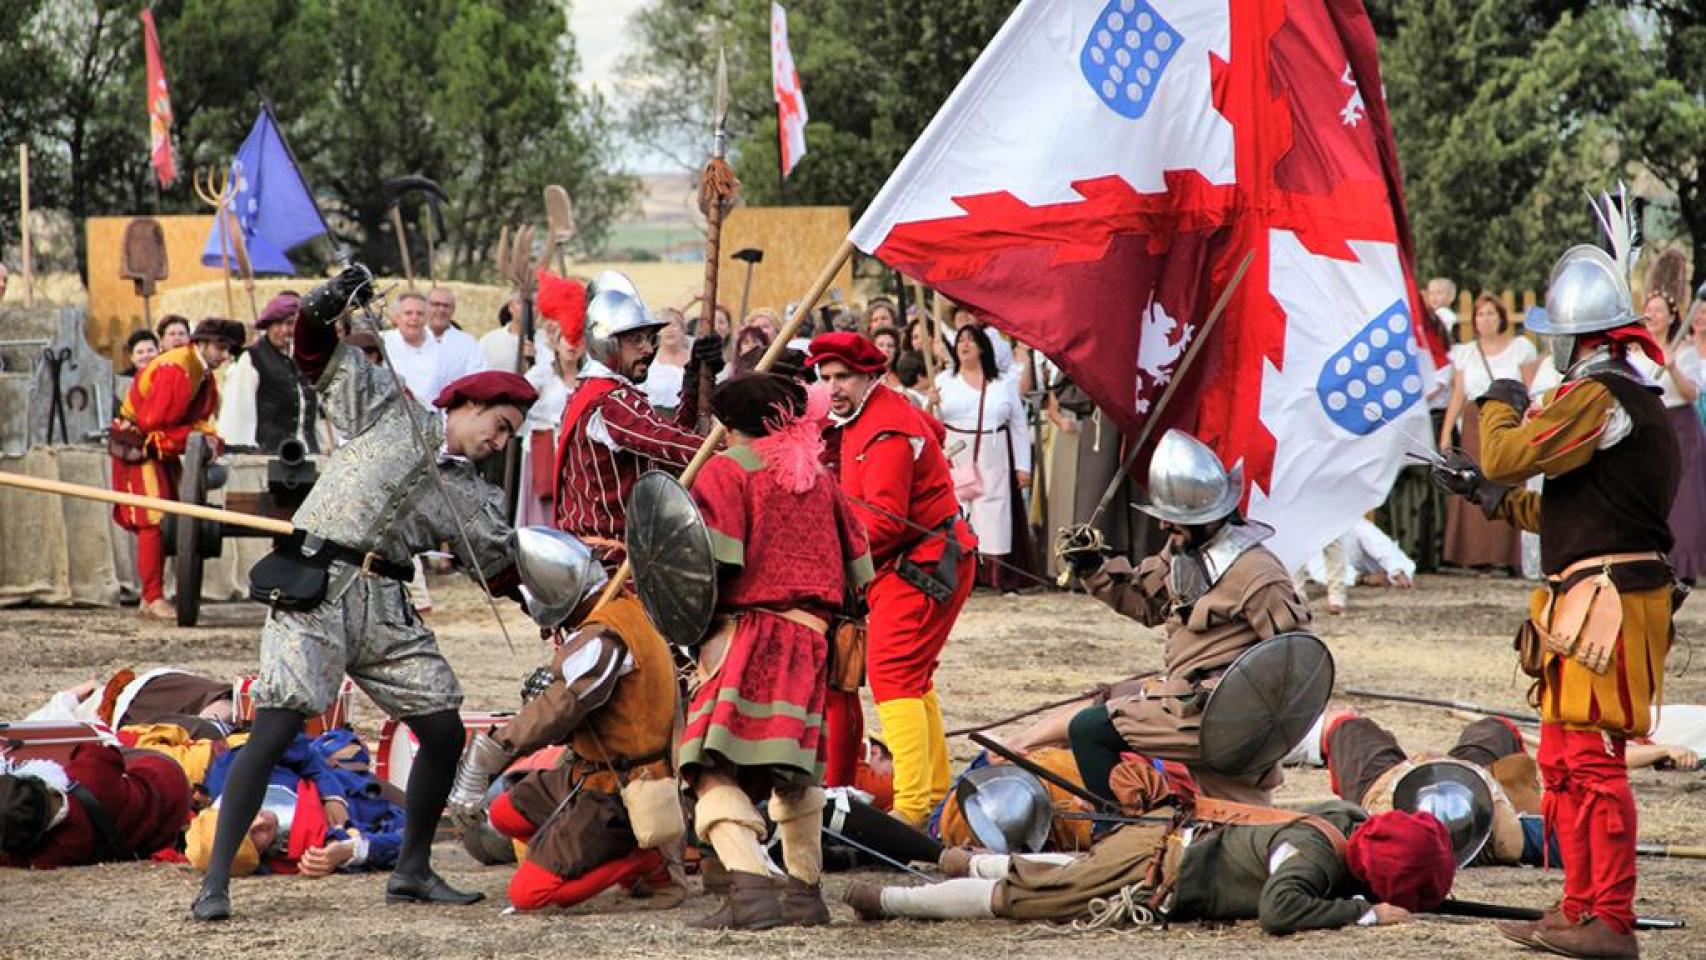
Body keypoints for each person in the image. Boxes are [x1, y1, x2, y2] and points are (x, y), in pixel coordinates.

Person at [189, 265, 537, 922]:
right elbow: (315, 350)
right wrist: (326, 301)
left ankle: (411, 869)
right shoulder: (389, 408)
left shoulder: (468, 496)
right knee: (275, 727)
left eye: (511, 435)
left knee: (440, 729)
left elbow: (504, 570)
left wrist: (563, 598)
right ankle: (215, 883)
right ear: (463, 404)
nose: (499, 442)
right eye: (498, 424)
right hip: (316, 586)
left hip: (384, 604)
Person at [1432, 223, 1681, 958]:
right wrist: (1490, 497)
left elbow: (1508, 449)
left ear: (1581, 339)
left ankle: (1613, 919)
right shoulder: (1617, 397)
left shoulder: (1601, 394)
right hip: (1588, 591)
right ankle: (1579, 909)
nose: (1551, 352)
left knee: (1595, 764)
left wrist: (1499, 399)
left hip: (1610, 598)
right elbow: (1568, 509)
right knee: (1564, 763)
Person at [677, 371, 872, 929]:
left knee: (707, 764)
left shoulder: (729, 469)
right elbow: (860, 567)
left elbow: (707, 568)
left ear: (728, 426)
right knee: (795, 774)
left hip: (752, 635)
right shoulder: (821, 478)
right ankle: (805, 897)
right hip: (812, 639)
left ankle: (752, 891)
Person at [1056, 429, 1310, 805]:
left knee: (1090, 729)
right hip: (1189, 712)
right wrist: (1094, 568)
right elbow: (1147, 605)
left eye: (1172, 519)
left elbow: (1295, 662)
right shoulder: (1183, 551)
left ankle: (1115, 836)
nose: (1162, 527)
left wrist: (1227, 701)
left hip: (1224, 717)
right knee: (1230, 823)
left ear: (1207, 517)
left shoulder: (1258, 574)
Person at [446, 533, 683, 912]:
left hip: (617, 792)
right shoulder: (616, 611)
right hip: (587, 773)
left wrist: (494, 748)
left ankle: (642, 861)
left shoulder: (607, 636)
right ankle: (599, 854)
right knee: (506, 814)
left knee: (529, 895)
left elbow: (563, 707)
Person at [807, 332, 977, 826]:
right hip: (915, 563)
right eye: (826, 378)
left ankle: (912, 807)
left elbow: (885, 522)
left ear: (870, 376)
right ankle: (935, 791)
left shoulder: (885, 429)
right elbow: (936, 433)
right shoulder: (872, 413)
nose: (833, 388)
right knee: (913, 677)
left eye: (844, 377)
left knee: (893, 676)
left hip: (920, 566)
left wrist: (827, 558)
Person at [844, 800, 1454, 935]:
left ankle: (959, 860)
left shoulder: (1339, 821)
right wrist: (1365, 914)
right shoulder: (1312, 861)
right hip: (1148, 873)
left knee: (1063, 871)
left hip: (1157, 844)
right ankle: (888, 901)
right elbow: (1280, 909)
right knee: (1026, 901)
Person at [554, 273, 720, 569]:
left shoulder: (593, 392)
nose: (648, 349)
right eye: (635, 340)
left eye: (648, 339)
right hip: (610, 562)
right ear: (607, 342)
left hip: (601, 555)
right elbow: (668, 442)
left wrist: (694, 378)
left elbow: (666, 440)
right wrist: (738, 453)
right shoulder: (610, 400)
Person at [109, 318, 243, 620]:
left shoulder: (203, 374)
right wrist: (199, 439)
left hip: (161, 447)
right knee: (153, 521)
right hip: (140, 447)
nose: (224, 355)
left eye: (228, 350)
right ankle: (152, 597)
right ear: (202, 343)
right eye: (220, 347)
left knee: (168, 520)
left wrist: (209, 439)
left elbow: (198, 420)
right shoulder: (176, 369)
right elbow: (152, 423)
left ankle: (153, 595)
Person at [185, 729, 404, 879]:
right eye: (255, 838)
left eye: (245, 824)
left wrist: (331, 796)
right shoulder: (300, 849)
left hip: (328, 763)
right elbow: (406, 839)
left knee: (345, 745)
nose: (260, 823)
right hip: (372, 798)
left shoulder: (232, 774)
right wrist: (349, 851)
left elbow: (289, 744)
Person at [1438, 294, 1534, 572]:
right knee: (1473, 480)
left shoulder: (1520, 348)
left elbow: (1529, 387)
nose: (1486, 319)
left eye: (1491, 313)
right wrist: (1446, 433)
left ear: (1501, 317)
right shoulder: (1466, 353)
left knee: (1504, 477)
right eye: (1481, 314)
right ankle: (1473, 554)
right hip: (1473, 422)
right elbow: (1458, 394)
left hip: (1509, 419)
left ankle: (1506, 555)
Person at [938, 325, 1033, 591]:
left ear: (982, 347)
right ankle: (962, 574)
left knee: (994, 511)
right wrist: (930, 403)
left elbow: (1018, 424)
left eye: (970, 340)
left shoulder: (1002, 384)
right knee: (959, 509)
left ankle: (995, 576)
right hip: (957, 451)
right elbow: (931, 422)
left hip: (995, 452)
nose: (964, 345)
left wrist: (1023, 466)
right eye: (960, 341)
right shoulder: (944, 381)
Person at [0, 741, 191, 869]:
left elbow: (14, 858)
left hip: (159, 829)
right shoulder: (90, 772)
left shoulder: (58, 852)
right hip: (166, 781)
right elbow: (100, 750)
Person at [1630, 292, 1705, 582]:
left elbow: (1691, 393)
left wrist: (1672, 366)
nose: (1652, 315)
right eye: (1648, 310)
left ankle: (1683, 566)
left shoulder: (1683, 352)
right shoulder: (1632, 354)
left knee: (1684, 499)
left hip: (1681, 426)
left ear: (1672, 317)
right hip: (1649, 427)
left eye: (1659, 311)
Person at [248, 291, 320, 454]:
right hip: (272, 454)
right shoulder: (252, 358)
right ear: (268, 326)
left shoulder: (302, 357)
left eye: (290, 323)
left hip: (307, 451)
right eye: (277, 324)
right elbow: (240, 413)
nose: (284, 330)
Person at [377, 291, 442, 409]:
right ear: (396, 317)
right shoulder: (380, 343)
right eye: (408, 313)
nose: (414, 318)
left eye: (420, 313)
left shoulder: (442, 347)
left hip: (434, 419)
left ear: (427, 317)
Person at [479, 296, 552, 386]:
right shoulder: (489, 341)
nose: (527, 308)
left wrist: (536, 358)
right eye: (520, 303)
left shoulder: (549, 341)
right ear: (510, 307)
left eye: (533, 304)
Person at [425, 286, 484, 384]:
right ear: (425, 307)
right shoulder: (411, 338)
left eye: (446, 306)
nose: (441, 310)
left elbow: (477, 378)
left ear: (453, 310)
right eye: (436, 304)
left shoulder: (468, 344)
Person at [642, 306, 690, 413]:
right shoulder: (648, 363)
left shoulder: (694, 361)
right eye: (664, 326)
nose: (669, 330)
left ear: (682, 330)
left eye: (674, 325)